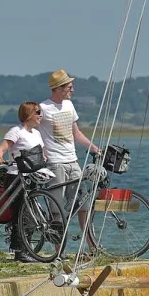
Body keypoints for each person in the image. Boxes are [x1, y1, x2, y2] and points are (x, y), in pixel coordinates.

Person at [38, 69, 101, 231]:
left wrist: (93, 148)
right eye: (69, 87)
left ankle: (91, 245)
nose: (72, 90)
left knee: (83, 205)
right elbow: (33, 131)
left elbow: (76, 132)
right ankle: (59, 252)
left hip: (73, 162)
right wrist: (42, 149)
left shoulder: (69, 105)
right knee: (56, 209)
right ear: (58, 88)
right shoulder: (43, 108)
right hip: (55, 164)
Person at [0, 101, 47, 263]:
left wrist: (44, 158)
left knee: (30, 214)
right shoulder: (16, 131)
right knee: (22, 214)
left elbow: (39, 153)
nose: (40, 115)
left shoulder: (36, 133)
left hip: (31, 177)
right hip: (16, 176)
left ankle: (25, 248)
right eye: (37, 112)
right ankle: (20, 251)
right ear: (29, 114)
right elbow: (2, 148)